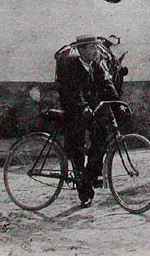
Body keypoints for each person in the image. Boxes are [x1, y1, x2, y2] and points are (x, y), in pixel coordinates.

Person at [55, 34, 122, 207]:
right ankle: (84, 192)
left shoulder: (96, 65)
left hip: (90, 111)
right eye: (92, 47)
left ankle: (89, 176)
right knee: (76, 149)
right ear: (82, 50)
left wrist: (118, 103)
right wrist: (83, 106)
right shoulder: (71, 66)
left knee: (102, 138)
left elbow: (107, 85)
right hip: (74, 111)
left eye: (96, 47)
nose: (96, 50)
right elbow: (72, 92)